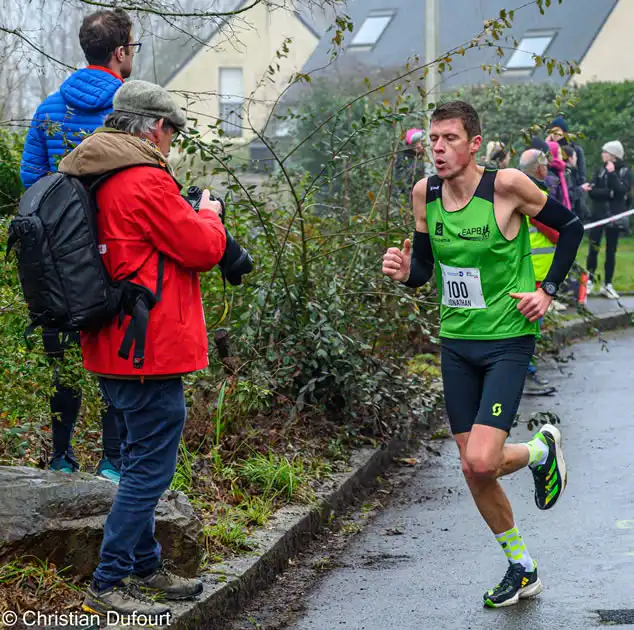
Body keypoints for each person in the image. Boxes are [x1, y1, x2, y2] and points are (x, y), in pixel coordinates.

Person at [382, 101, 584, 608]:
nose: (438, 148)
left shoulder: (507, 186)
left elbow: (572, 228)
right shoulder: (423, 193)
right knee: (474, 469)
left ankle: (540, 450)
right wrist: (405, 272)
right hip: (456, 343)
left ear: (474, 144)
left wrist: (548, 289)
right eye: (433, 139)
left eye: (449, 138)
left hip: (507, 342)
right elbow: (426, 270)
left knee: (480, 459)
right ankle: (522, 567)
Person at [57, 80, 244, 616]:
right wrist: (210, 212)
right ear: (155, 127)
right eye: (172, 132)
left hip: (112, 343)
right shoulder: (143, 179)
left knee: (138, 457)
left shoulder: (94, 172)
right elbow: (203, 247)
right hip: (147, 348)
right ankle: (110, 580)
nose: (171, 142)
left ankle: (145, 566)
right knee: (149, 469)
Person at [19, 8, 138, 482]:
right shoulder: (130, 110)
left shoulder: (50, 109)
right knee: (117, 361)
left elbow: (33, 182)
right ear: (120, 51)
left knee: (62, 359)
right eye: (133, 47)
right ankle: (112, 463)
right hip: (115, 253)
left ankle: (62, 459)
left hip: (58, 261)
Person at [585, 141, 632, 299]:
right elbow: (592, 191)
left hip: (614, 216)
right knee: (593, 248)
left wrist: (612, 175)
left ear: (613, 155)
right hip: (598, 215)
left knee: (611, 251)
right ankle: (589, 281)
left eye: (605, 152)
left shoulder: (625, 171)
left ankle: (608, 284)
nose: (602, 154)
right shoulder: (600, 170)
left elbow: (621, 191)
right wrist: (609, 193)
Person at [548, 116, 587, 217]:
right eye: (552, 131)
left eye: (558, 131)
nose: (555, 134)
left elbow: (582, 175)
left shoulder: (576, 150)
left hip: (573, 192)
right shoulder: (548, 149)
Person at [546, 141, 571, 210]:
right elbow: (552, 202)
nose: (561, 157)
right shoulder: (550, 176)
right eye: (559, 153)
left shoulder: (559, 172)